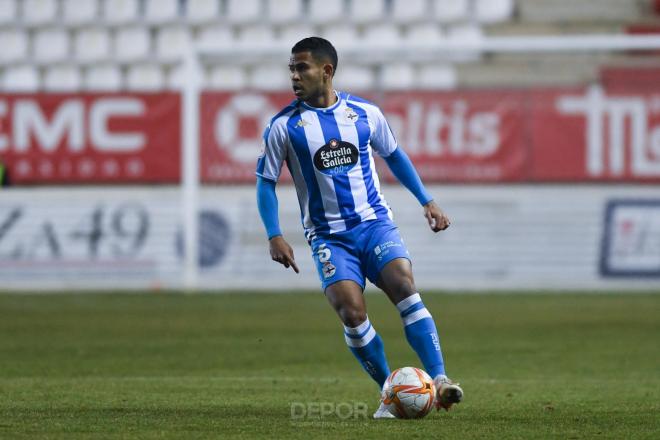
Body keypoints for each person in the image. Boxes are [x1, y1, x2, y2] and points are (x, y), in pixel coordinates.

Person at [255, 37, 463, 419]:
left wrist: (427, 200)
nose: (294, 76)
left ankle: (441, 379)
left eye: (301, 68)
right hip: (329, 237)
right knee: (352, 313)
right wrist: (274, 233)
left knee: (404, 286)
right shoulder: (284, 126)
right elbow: (266, 182)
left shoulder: (365, 113)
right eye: (291, 69)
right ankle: (392, 393)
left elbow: (395, 155)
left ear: (326, 71)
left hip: (374, 225)